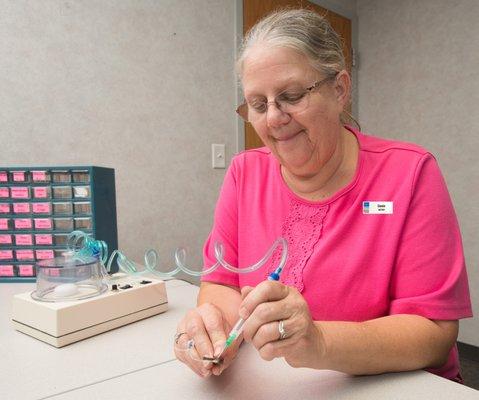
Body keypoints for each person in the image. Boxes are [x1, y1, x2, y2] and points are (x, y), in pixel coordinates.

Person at [174, 9, 472, 381]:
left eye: (291, 95)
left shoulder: (409, 174)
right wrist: (213, 328)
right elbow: (222, 282)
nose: (274, 118)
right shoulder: (244, 173)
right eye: (258, 103)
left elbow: (434, 333)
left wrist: (319, 341)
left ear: (340, 89)